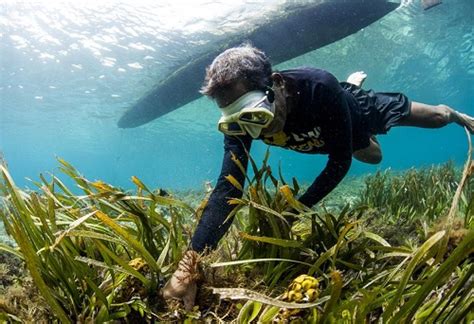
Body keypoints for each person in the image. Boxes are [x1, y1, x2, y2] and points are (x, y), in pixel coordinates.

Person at [162, 44, 474, 309]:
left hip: (353, 111)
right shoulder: (241, 126)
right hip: (318, 138)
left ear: (276, 83)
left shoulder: (318, 86)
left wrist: (296, 208)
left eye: (255, 115)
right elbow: (226, 192)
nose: (256, 131)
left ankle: (430, 107)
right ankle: (351, 88)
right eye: (240, 122)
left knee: (424, 125)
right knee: (369, 153)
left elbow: (339, 162)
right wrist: (186, 271)